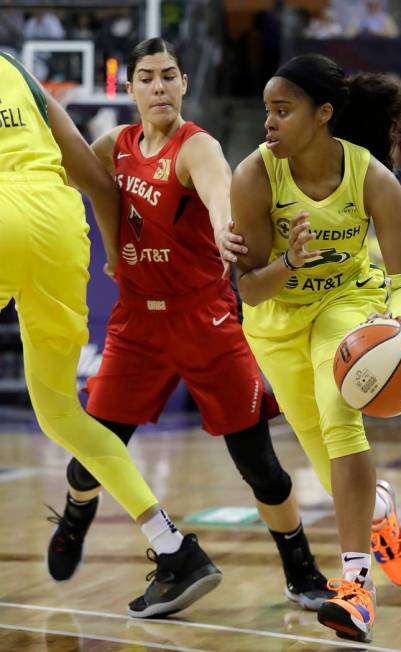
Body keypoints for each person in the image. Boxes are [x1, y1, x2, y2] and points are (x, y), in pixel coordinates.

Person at [46, 37, 334, 615]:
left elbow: (217, 189)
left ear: (182, 84)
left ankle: (302, 572)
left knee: (261, 468)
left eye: (169, 76)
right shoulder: (115, 146)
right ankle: (76, 521)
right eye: (147, 77)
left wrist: (228, 230)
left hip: (205, 320)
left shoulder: (195, 145)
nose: (159, 86)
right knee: (90, 457)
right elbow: (64, 167)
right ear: (128, 89)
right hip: (135, 326)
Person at [0, 50, 222, 618]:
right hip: (57, 221)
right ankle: (173, 547)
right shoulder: (14, 68)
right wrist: (118, 256)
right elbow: (97, 178)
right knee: (60, 414)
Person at [231, 53, 401, 642]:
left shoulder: (372, 178)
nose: (269, 122)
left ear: (323, 115)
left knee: (341, 421)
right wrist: (290, 261)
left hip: (345, 306)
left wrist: (399, 323)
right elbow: (250, 288)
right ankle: (380, 514)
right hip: (276, 323)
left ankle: (356, 590)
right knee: (325, 459)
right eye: (266, 110)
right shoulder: (254, 177)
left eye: (282, 111)